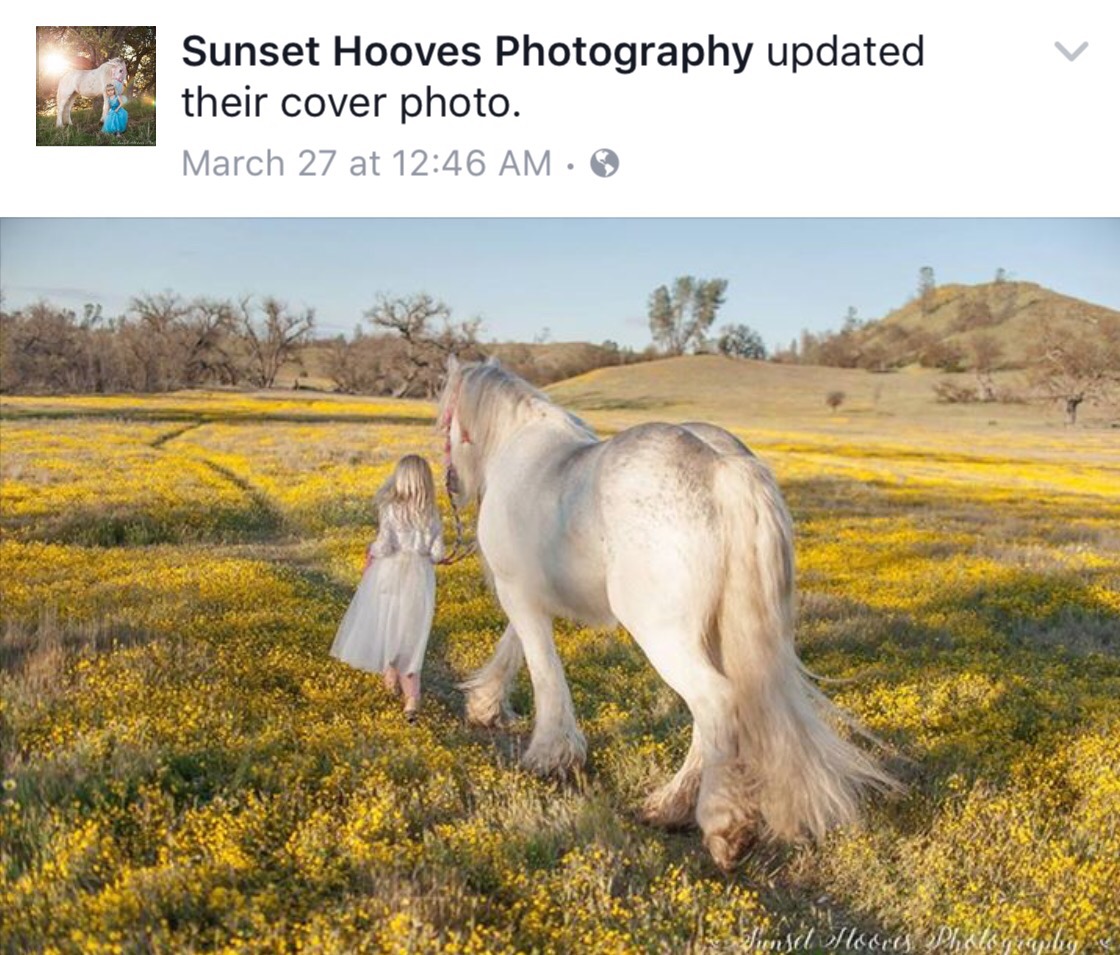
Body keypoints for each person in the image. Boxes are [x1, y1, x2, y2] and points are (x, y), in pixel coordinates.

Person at [330, 455, 445, 722]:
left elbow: (384, 546)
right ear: (425, 481)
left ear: (401, 479)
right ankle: (412, 699)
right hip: (419, 577)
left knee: (388, 624)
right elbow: (438, 554)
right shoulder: (432, 512)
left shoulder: (391, 509)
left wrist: (370, 551)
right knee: (411, 635)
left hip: (391, 573)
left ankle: (390, 675)